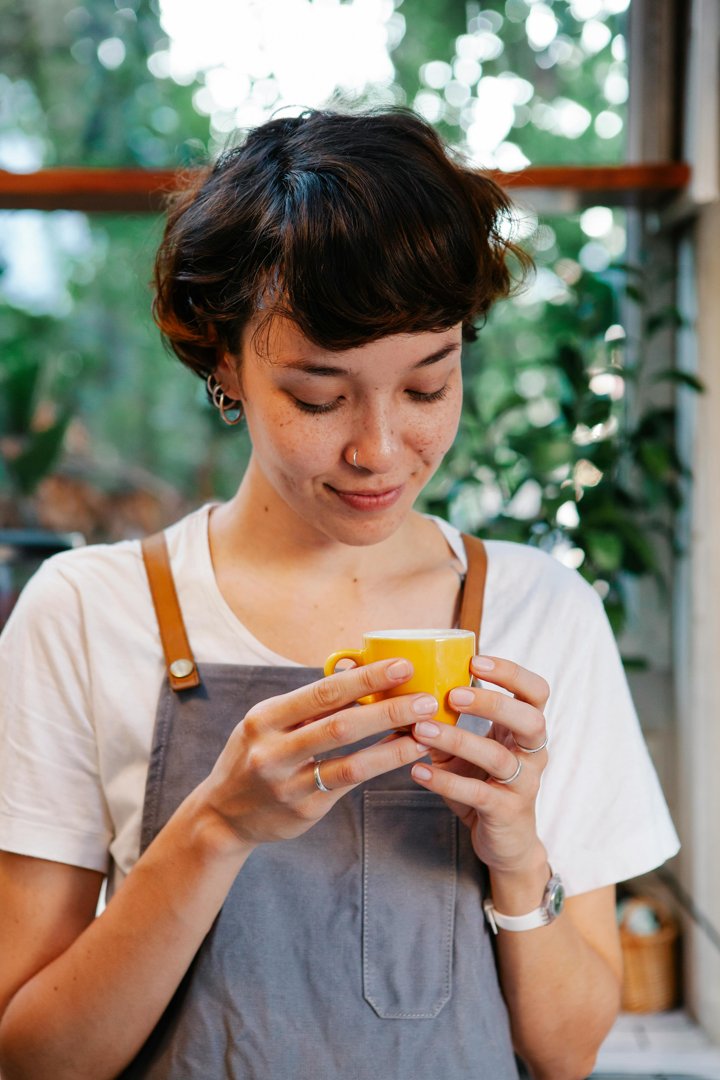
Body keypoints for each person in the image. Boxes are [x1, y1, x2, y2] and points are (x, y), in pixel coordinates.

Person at [0, 109, 679, 1080]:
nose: (378, 448)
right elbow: (32, 1059)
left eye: (426, 388)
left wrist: (518, 853)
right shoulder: (84, 614)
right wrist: (217, 825)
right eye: (319, 398)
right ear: (223, 358)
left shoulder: (542, 612)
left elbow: (567, 1051)